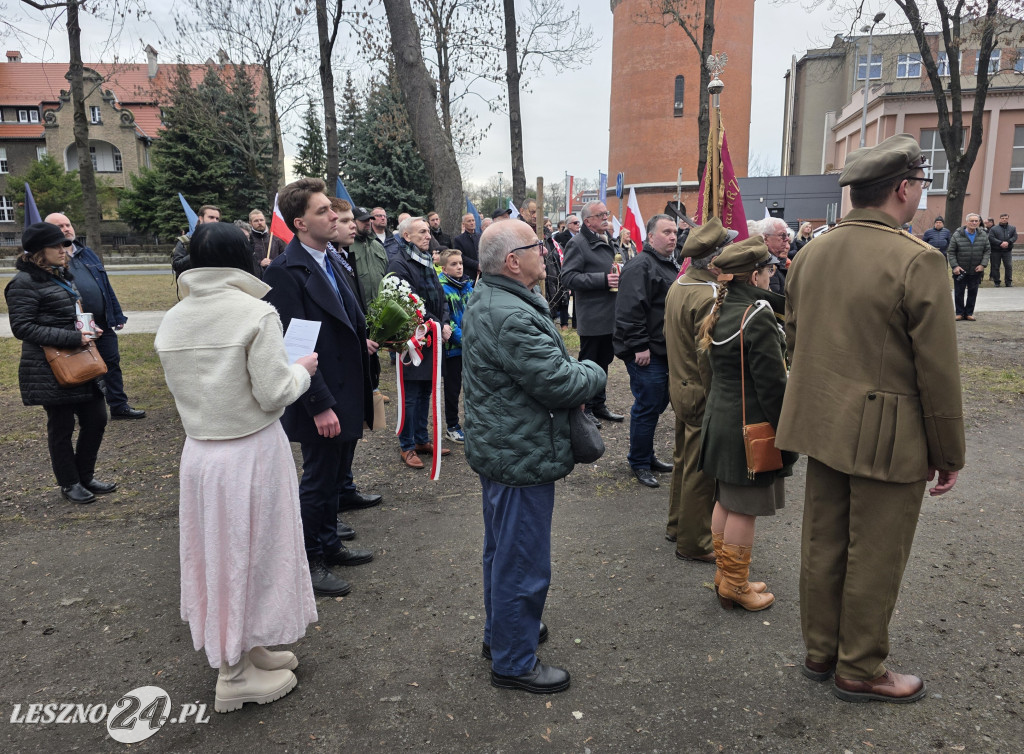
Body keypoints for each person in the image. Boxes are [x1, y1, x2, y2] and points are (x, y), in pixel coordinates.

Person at [777, 133, 965, 703]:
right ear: (903, 189)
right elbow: (938, 372)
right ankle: (859, 667)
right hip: (888, 434)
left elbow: (793, 339)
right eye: (919, 186)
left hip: (822, 421)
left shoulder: (810, 252)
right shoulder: (918, 259)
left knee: (825, 542)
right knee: (875, 552)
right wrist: (948, 452)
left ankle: (820, 650)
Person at [154, 222, 317, 713]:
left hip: (202, 454)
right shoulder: (255, 313)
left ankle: (249, 643)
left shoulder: (174, 317)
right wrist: (301, 372)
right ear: (241, 259)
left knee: (226, 553)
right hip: (249, 452)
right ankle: (233, 673)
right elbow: (273, 392)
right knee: (249, 551)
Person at [462, 219, 605, 694]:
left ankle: (502, 634)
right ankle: (514, 660)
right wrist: (593, 370)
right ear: (511, 261)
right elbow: (560, 381)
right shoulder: (512, 314)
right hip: (519, 452)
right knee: (521, 561)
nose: (544, 252)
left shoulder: (492, 298)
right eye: (535, 246)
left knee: (502, 553)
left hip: (504, 446)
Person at [263, 178, 376, 598]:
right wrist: (320, 405)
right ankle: (309, 560)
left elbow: (340, 318)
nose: (335, 216)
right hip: (320, 395)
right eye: (323, 211)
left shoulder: (331, 257)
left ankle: (328, 543)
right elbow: (294, 347)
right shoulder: (285, 270)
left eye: (333, 209)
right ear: (300, 222)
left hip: (346, 385)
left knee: (333, 478)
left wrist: (359, 336)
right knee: (317, 479)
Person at [697, 236, 792, 613]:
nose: (773, 275)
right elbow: (772, 384)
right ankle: (735, 584)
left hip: (720, 419)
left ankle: (726, 575)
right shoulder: (757, 314)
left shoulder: (721, 307)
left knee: (726, 499)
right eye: (770, 270)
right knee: (743, 507)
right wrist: (787, 431)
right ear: (755, 274)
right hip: (749, 426)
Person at [5, 222, 116, 505]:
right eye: (56, 245)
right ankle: (69, 482)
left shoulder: (61, 276)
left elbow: (69, 313)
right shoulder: (22, 284)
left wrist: (88, 329)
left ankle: (85, 475)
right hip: (49, 368)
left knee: (97, 419)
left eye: (64, 244)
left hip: (79, 360)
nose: (63, 250)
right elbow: (23, 328)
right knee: (62, 426)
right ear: (38, 251)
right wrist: (73, 337)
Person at [663, 218, 737, 559]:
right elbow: (708, 356)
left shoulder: (679, 286)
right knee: (699, 469)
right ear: (715, 258)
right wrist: (721, 400)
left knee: (684, 461)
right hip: (700, 391)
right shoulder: (708, 295)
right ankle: (694, 542)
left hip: (680, 385)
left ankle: (679, 525)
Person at [45, 212, 146, 421]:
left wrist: (116, 314)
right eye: (59, 226)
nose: (66, 229)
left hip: (102, 322)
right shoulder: (49, 258)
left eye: (68, 224)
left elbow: (105, 286)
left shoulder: (86, 253)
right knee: (80, 366)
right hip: (73, 326)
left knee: (111, 363)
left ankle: (119, 406)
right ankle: (85, 411)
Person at [612, 214, 678, 488]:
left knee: (656, 403)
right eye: (666, 232)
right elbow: (629, 310)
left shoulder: (668, 263)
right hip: (645, 351)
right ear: (651, 237)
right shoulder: (641, 265)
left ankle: (646, 455)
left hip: (661, 349)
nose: (673, 236)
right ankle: (639, 461)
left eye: (675, 232)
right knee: (648, 405)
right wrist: (639, 346)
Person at [329, 199, 385, 518]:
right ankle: (335, 496)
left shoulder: (343, 256)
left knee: (353, 427)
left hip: (361, 351)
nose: (353, 225)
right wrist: (356, 340)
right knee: (338, 435)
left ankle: (345, 487)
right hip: (343, 358)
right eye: (346, 219)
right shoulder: (328, 261)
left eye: (354, 220)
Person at [386, 216, 452, 469]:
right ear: (406, 236)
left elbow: (440, 296)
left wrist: (443, 321)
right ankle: (407, 445)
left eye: (428, 231)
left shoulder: (425, 262)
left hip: (433, 335)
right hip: (413, 339)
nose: (428, 235)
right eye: (422, 232)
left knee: (426, 390)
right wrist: (438, 324)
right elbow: (410, 303)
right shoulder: (399, 263)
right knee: (411, 394)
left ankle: (422, 439)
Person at [561, 200, 624, 426]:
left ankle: (599, 405)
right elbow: (568, 277)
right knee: (589, 363)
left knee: (605, 361)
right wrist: (603, 280)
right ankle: (584, 408)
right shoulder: (577, 243)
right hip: (592, 315)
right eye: (601, 215)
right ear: (588, 221)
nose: (606, 217)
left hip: (609, 314)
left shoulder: (607, 239)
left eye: (606, 213)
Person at [439, 249, 473, 444]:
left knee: (472, 386)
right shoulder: (441, 288)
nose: (459, 267)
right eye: (453, 264)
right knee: (453, 389)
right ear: (444, 268)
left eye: (460, 263)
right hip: (453, 349)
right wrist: (464, 340)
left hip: (471, 346)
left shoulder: (468, 286)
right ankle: (452, 426)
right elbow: (447, 320)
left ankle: (472, 422)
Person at [947, 212, 989, 321]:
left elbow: (987, 251)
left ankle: (969, 313)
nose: (974, 223)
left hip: (976, 269)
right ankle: (959, 313)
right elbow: (951, 252)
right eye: (972, 221)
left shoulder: (983, 235)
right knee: (959, 292)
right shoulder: (957, 235)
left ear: (979, 222)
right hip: (960, 270)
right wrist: (955, 266)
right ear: (967, 222)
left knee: (973, 292)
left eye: (976, 221)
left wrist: (982, 265)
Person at [350, 206, 389, 305]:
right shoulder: (347, 246)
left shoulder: (378, 246)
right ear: (353, 222)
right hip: (359, 308)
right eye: (363, 220)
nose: (368, 223)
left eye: (369, 219)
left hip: (380, 309)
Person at [172, 205, 221, 276]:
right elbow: (177, 266)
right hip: (192, 285)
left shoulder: (221, 241)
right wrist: (199, 252)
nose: (215, 221)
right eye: (211, 217)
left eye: (217, 219)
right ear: (201, 218)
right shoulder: (186, 241)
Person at [249, 209, 286, 275]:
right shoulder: (248, 240)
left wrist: (272, 262)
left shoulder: (276, 240)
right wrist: (260, 263)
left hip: (275, 275)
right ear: (250, 223)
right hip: (256, 278)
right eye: (256, 221)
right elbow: (246, 261)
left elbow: (284, 258)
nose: (259, 223)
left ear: (265, 221)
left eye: (261, 220)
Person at [761, 217, 791, 295]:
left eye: (787, 235)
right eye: (782, 235)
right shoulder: (764, 265)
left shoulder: (777, 261)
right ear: (766, 238)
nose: (787, 239)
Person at [988, 212, 1016, 287]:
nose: (1004, 220)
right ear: (1000, 219)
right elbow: (991, 237)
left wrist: (1008, 242)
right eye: (1003, 218)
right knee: (995, 266)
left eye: (1006, 218)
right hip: (996, 250)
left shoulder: (1012, 228)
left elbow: (1014, 236)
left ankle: (1008, 282)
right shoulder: (994, 229)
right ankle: (997, 282)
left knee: (1008, 266)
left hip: (1007, 251)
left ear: (1008, 219)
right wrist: (1000, 243)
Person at [452, 213, 481, 281]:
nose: (472, 223)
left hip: (482, 273)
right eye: (469, 221)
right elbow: (461, 256)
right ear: (463, 224)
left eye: (473, 220)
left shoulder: (480, 236)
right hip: (468, 274)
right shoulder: (459, 239)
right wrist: (477, 265)